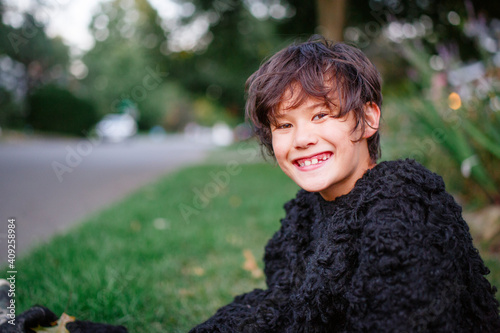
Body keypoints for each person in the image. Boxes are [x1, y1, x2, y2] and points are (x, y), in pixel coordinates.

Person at [189, 35, 500, 332]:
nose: (302, 139)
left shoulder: (402, 206)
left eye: (321, 115)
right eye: (284, 124)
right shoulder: (303, 214)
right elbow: (290, 307)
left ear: (368, 118)